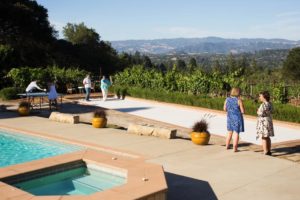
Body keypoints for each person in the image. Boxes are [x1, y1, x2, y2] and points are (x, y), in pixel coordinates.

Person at [223, 87, 245, 152]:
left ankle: (227, 146)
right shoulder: (239, 100)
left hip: (229, 117)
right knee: (236, 132)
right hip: (237, 118)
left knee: (229, 132)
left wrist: (230, 111)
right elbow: (243, 111)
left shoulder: (227, 99)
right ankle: (235, 148)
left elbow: (224, 109)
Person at [256, 91, 274, 156]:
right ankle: (269, 150)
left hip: (263, 122)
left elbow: (260, 113)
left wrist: (258, 111)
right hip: (268, 120)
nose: (259, 97)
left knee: (264, 137)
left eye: (260, 96)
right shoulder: (270, 104)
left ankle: (265, 151)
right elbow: (272, 111)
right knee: (268, 137)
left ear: (264, 97)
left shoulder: (263, 105)